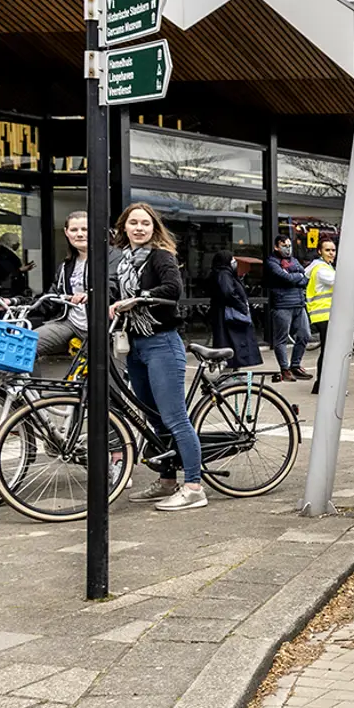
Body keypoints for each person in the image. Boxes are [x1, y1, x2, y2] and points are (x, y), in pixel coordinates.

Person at [109, 203, 207, 512]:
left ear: (154, 229)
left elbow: (172, 288)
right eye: (133, 223)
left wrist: (138, 299)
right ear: (124, 227)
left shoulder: (161, 256)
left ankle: (193, 486)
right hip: (135, 344)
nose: (139, 228)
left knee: (175, 417)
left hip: (162, 343)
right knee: (153, 418)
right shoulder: (123, 261)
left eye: (145, 224)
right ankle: (167, 482)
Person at [34, 212, 89, 358]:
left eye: (85, 229)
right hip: (71, 322)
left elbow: (112, 285)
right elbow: (52, 296)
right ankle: (25, 381)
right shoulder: (67, 265)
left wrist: (91, 295)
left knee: (98, 375)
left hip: (101, 327)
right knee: (26, 343)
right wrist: (17, 301)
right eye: (74, 230)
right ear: (66, 232)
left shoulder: (111, 258)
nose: (79, 234)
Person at [265, 235, 311, 382]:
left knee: (305, 335)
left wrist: (294, 276)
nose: (287, 248)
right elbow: (288, 278)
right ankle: (284, 369)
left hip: (299, 303)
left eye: (289, 245)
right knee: (281, 339)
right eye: (284, 245)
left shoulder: (294, 260)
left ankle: (295, 365)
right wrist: (296, 276)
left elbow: (305, 278)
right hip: (282, 305)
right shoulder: (271, 262)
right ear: (276, 247)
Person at [209, 250, 264, 371]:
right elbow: (228, 292)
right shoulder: (224, 274)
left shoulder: (221, 273)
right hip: (229, 317)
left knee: (232, 347)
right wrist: (241, 305)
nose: (234, 262)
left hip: (225, 315)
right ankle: (229, 376)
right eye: (231, 259)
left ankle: (232, 373)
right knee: (232, 345)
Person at [305, 238, 337, 355]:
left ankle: (325, 373)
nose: (331, 253)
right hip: (323, 314)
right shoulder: (321, 269)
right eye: (327, 250)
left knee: (327, 350)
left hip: (324, 314)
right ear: (320, 252)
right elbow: (340, 282)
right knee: (327, 351)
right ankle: (323, 374)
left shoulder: (326, 267)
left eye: (333, 250)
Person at [0, 232, 32, 300]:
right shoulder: (3, 254)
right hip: (6, 290)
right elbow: (5, 272)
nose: (18, 244)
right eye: (16, 242)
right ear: (9, 242)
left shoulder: (4, 253)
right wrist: (20, 270)